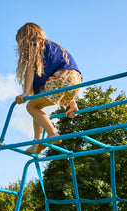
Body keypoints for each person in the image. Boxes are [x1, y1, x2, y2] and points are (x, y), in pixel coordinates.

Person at [14, 22, 82, 154]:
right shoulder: (53, 48)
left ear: (25, 38)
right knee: (37, 106)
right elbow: (68, 77)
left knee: (31, 106)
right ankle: (37, 142)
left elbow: (30, 68)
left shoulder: (35, 44)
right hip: (75, 79)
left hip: (62, 77)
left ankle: (52, 134)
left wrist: (25, 93)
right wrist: (72, 103)